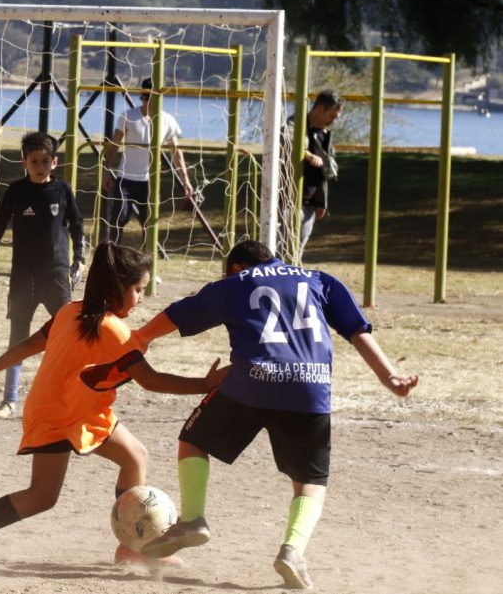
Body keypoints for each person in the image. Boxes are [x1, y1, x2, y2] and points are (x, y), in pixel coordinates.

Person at [133, 239, 418, 589]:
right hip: (309, 387)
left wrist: (140, 337)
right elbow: (356, 330)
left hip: (252, 381)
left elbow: (180, 312)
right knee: (310, 483)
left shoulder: (237, 282)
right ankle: (292, 551)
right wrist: (390, 377)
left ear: (237, 267)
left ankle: (192, 519)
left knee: (193, 440)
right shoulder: (319, 279)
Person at [0, 242, 227, 573]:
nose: (142, 298)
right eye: (139, 290)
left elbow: (30, 344)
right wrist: (204, 384)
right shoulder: (112, 328)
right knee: (42, 496)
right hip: (55, 413)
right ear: (118, 287)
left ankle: (131, 549)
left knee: (134, 455)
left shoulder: (71, 310)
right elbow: (150, 381)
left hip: (83, 409)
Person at [0, 131, 85, 419]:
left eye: (45, 161)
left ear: (55, 162)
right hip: (23, 277)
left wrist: (80, 259)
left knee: (67, 335)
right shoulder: (16, 191)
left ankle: (69, 397)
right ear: (24, 162)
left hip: (56, 276)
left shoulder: (62, 191)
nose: (40, 166)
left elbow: (78, 225)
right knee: (18, 336)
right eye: (34, 161)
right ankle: (9, 401)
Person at [101, 77, 194, 245]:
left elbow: (176, 152)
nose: (150, 101)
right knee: (119, 219)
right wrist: (106, 171)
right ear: (142, 96)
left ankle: (147, 262)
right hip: (126, 179)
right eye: (147, 96)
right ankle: (113, 256)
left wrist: (185, 180)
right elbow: (114, 145)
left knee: (149, 223)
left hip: (150, 181)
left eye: (154, 97)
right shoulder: (128, 116)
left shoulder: (167, 120)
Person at [288, 90, 343, 260]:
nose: (332, 121)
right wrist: (307, 154)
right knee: (283, 244)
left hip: (310, 201)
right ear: (319, 108)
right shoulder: (295, 124)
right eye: (331, 116)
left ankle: (292, 280)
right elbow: (287, 143)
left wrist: (322, 201)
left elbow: (325, 170)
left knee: (298, 248)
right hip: (289, 197)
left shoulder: (324, 135)